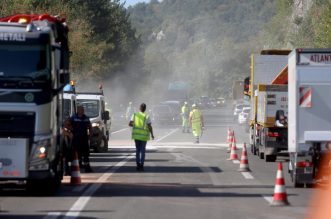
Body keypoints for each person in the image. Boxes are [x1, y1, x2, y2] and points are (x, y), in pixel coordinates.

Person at [129, 103, 154, 171]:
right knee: (143, 151)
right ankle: (142, 165)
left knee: (137, 150)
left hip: (136, 136)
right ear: (145, 109)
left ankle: (137, 164)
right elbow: (149, 126)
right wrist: (152, 134)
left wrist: (135, 125)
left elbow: (130, 124)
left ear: (139, 108)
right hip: (143, 136)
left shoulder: (134, 115)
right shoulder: (146, 116)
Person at [70, 105, 93, 172]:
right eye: (81, 109)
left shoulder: (86, 118)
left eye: (83, 110)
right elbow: (66, 123)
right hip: (76, 139)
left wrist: (90, 135)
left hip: (84, 139)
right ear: (78, 110)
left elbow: (90, 127)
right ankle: (78, 166)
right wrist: (71, 129)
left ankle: (87, 168)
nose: (83, 111)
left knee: (86, 154)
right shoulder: (73, 117)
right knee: (77, 153)